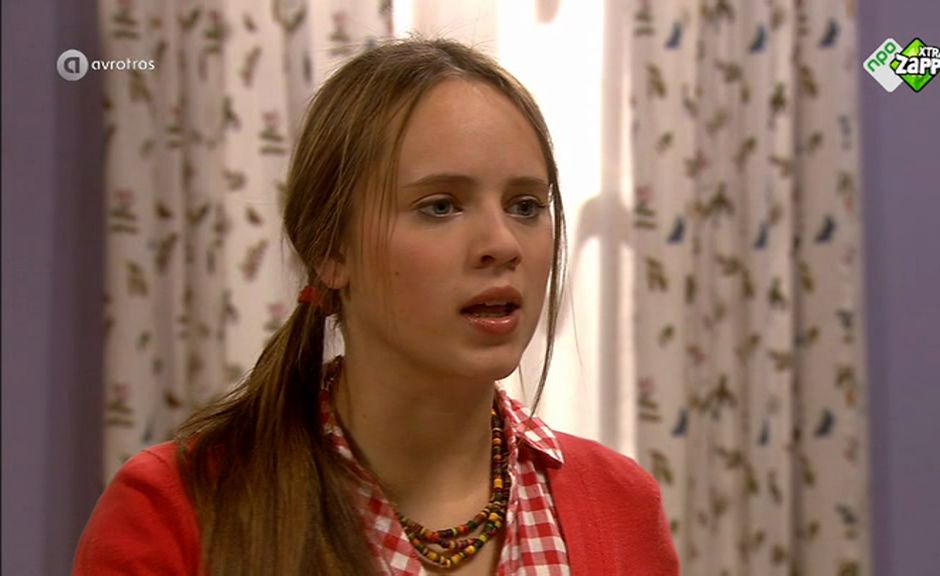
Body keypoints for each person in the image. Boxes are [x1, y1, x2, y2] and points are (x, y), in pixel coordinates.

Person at [73, 38, 680, 576]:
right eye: (440, 206)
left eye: (525, 206)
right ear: (329, 250)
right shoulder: (177, 508)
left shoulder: (621, 503)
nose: (502, 244)